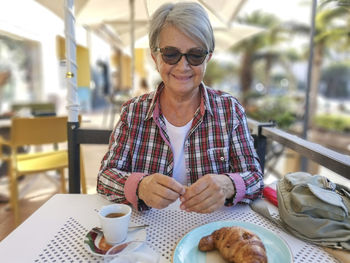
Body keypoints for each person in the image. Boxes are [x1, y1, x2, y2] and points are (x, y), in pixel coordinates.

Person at [97, 2, 263, 214]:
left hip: (211, 231)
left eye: (195, 55)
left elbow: (256, 179)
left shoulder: (229, 110)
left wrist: (227, 184)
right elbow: (104, 178)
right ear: (155, 57)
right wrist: (139, 186)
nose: (183, 66)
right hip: (147, 233)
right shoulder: (133, 112)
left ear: (207, 59)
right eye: (170, 54)